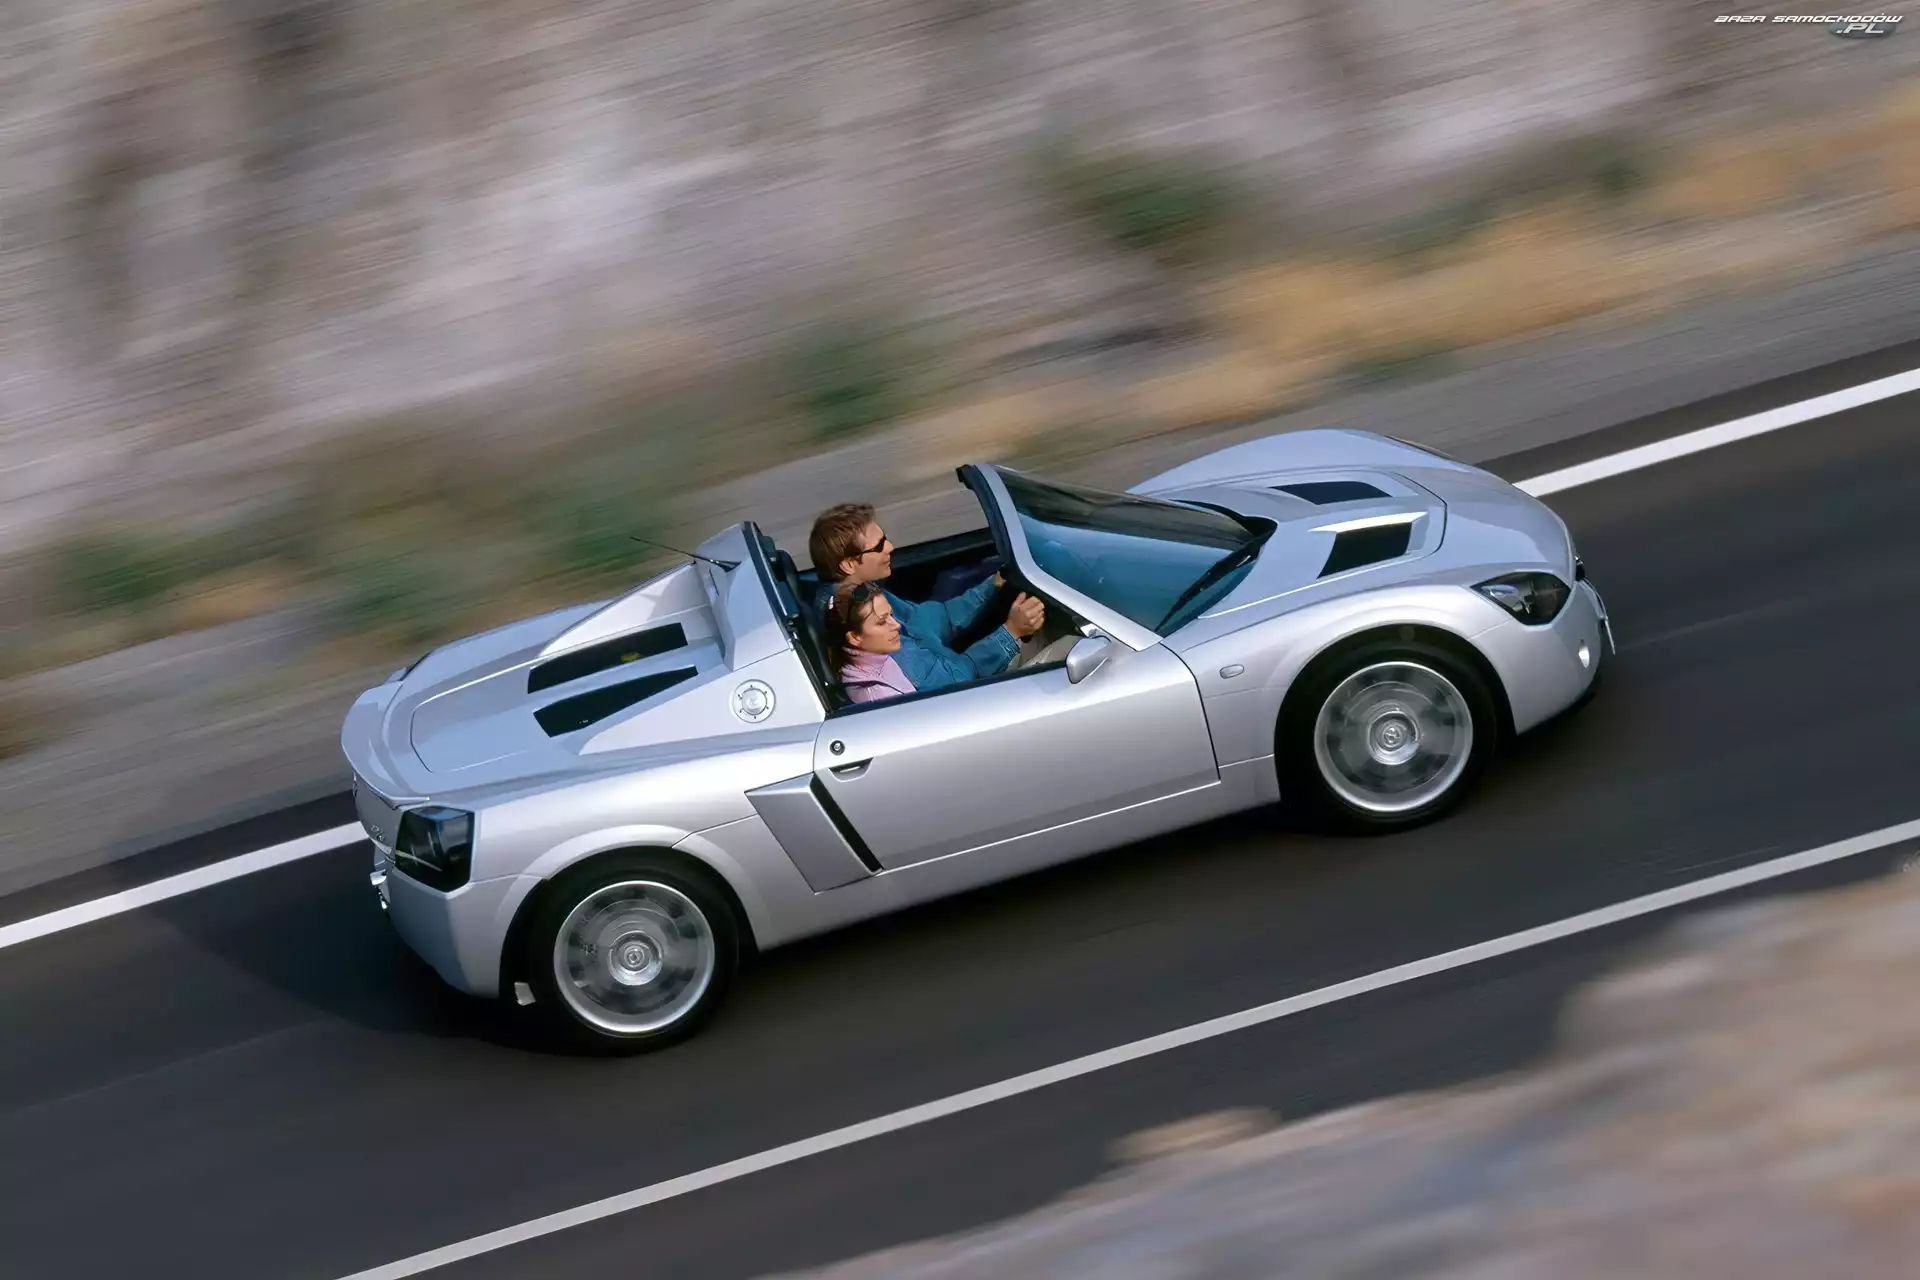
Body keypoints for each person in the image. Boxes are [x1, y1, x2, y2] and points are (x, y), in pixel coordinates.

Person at [808, 502, 1047, 693]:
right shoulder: (875, 635)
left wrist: (994, 584)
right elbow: (957, 680)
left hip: (959, 668)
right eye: (878, 546)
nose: (890, 547)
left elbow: (932, 619)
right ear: (849, 564)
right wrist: (1012, 632)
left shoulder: (859, 593)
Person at [826, 583, 916, 704]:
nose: (897, 625)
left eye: (891, 615)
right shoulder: (879, 696)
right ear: (855, 638)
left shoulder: (879, 656)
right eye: (882, 622)